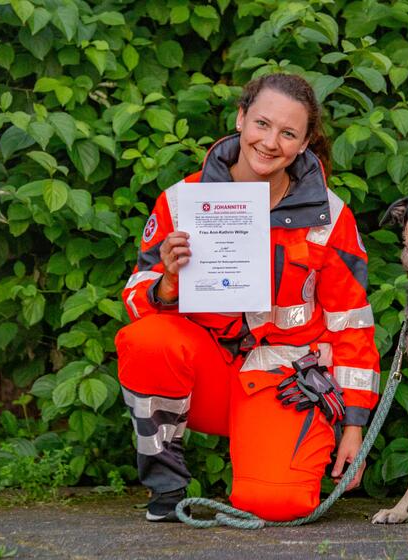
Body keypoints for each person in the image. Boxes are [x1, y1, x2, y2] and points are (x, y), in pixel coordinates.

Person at [115, 74, 380, 522]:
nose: (271, 141)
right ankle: (166, 487)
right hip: (207, 378)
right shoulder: (183, 200)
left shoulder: (329, 216)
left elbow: (352, 325)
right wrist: (168, 284)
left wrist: (354, 427)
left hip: (283, 381)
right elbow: (137, 299)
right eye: (262, 123)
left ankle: (266, 454)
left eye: (288, 133)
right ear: (240, 119)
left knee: (277, 505)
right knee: (146, 340)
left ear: (304, 144)